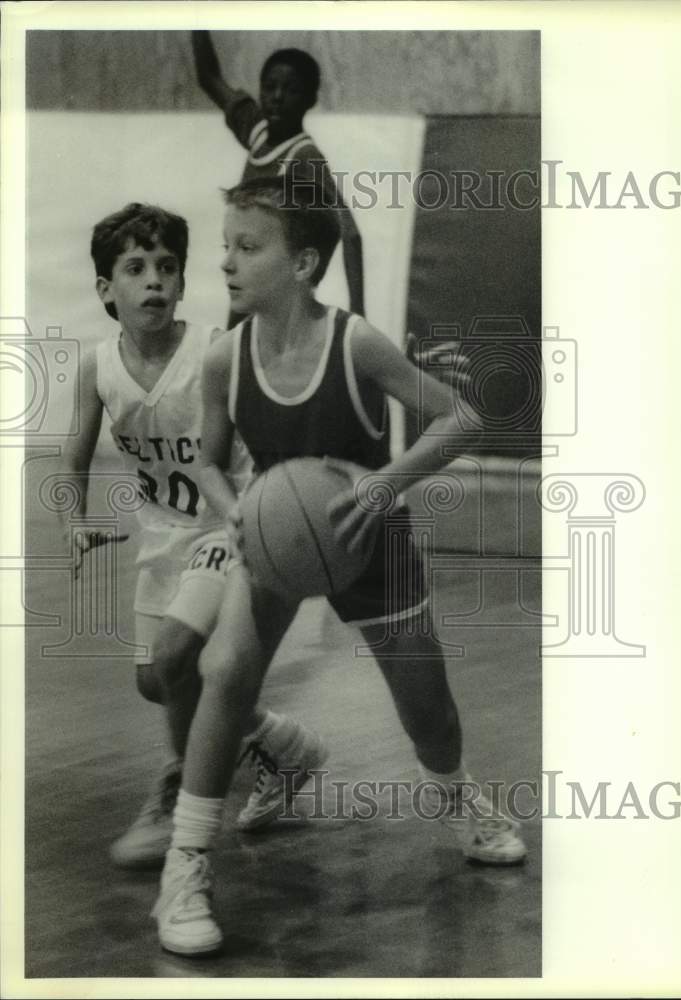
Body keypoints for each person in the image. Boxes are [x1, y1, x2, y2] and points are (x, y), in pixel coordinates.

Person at [152, 177, 526, 957]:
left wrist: (387, 481)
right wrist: (237, 514)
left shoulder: (355, 343)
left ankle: (459, 797)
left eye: (247, 247)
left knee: (431, 718)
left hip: (369, 537)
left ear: (304, 263)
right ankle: (186, 865)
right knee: (224, 670)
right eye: (224, 245)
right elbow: (209, 461)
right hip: (275, 540)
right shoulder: (225, 359)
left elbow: (462, 416)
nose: (225, 262)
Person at [59, 202, 328, 869]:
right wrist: (73, 524)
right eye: (135, 267)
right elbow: (71, 460)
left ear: (182, 283)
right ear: (105, 290)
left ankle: (180, 800)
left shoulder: (213, 349)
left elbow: (264, 433)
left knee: (180, 658)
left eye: (167, 267)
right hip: (163, 535)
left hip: (227, 521)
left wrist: (274, 512)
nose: (153, 280)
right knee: (157, 682)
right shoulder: (97, 369)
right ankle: (283, 745)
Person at [191, 30, 365, 320]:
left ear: (310, 100)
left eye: (291, 90)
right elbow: (209, 77)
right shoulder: (256, 130)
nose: (277, 97)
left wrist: (359, 312)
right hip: (245, 287)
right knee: (235, 356)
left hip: (278, 299)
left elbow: (351, 234)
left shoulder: (304, 156)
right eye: (269, 87)